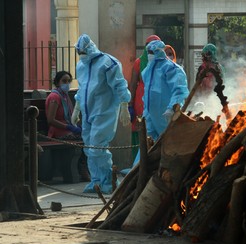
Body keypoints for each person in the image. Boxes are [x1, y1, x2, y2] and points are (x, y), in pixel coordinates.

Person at [72, 34, 131, 194]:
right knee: (89, 148)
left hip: (104, 111)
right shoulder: (81, 66)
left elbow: (120, 85)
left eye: (83, 52)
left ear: (90, 48)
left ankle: (109, 181)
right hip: (87, 111)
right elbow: (82, 88)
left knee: (98, 147)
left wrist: (124, 104)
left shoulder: (108, 63)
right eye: (79, 53)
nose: (81, 56)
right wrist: (77, 107)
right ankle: (96, 181)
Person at [45, 70, 90, 182]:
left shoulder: (64, 96)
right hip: (58, 133)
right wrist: (68, 127)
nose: (67, 84)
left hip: (67, 131)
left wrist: (77, 126)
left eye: (69, 81)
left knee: (89, 137)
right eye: (64, 81)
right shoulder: (55, 97)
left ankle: (84, 167)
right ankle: (82, 168)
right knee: (86, 139)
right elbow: (51, 120)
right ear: (57, 82)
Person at [141, 40, 189, 141]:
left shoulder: (172, 69)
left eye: (152, 52)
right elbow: (147, 95)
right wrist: (146, 114)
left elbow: (179, 90)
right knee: (149, 147)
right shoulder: (147, 71)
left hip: (167, 118)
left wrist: (172, 108)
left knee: (170, 146)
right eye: (148, 52)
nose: (150, 55)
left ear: (158, 51)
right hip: (151, 118)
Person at [128, 35, 161, 162]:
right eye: (149, 45)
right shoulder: (139, 62)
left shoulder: (162, 62)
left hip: (157, 100)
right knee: (139, 129)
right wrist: (130, 104)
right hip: (140, 101)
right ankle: (137, 163)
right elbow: (133, 83)